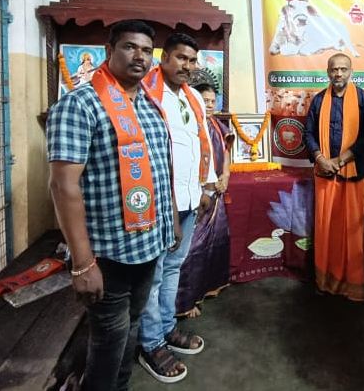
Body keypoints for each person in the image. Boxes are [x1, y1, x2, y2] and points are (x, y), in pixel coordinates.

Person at [46, 20, 180, 391]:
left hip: (148, 246)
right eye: (129, 47)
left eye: (146, 50)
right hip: (107, 253)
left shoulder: (150, 106)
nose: (139, 56)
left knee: (132, 326)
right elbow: (63, 186)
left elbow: (160, 169)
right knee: (109, 337)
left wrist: (171, 222)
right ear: (109, 51)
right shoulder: (80, 105)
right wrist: (82, 262)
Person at [137, 32, 218, 383]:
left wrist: (206, 187)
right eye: (181, 58)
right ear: (164, 57)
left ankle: (167, 328)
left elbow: (203, 142)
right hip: (159, 203)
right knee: (153, 276)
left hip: (189, 199)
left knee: (173, 269)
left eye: (192, 60)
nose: (187, 65)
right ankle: (150, 343)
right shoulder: (145, 93)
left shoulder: (193, 97)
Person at [304, 52, 364, 301]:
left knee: (352, 232)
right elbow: (308, 133)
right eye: (334, 69)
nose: (338, 73)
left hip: (353, 175)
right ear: (328, 72)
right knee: (326, 229)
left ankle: (352, 283)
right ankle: (325, 281)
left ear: (351, 72)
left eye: (343, 69)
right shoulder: (318, 101)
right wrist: (320, 158)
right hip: (325, 174)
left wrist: (341, 160)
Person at [175, 82, 233, 318]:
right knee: (193, 248)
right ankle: (185, 302)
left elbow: (226, 154)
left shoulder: (219, 127)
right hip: (197, 196)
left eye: (212, 101)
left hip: (217, 192)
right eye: (204, 100)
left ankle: (207, 288)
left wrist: (225, 176)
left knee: (217, 242)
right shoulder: (188, 126)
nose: (209, 105)